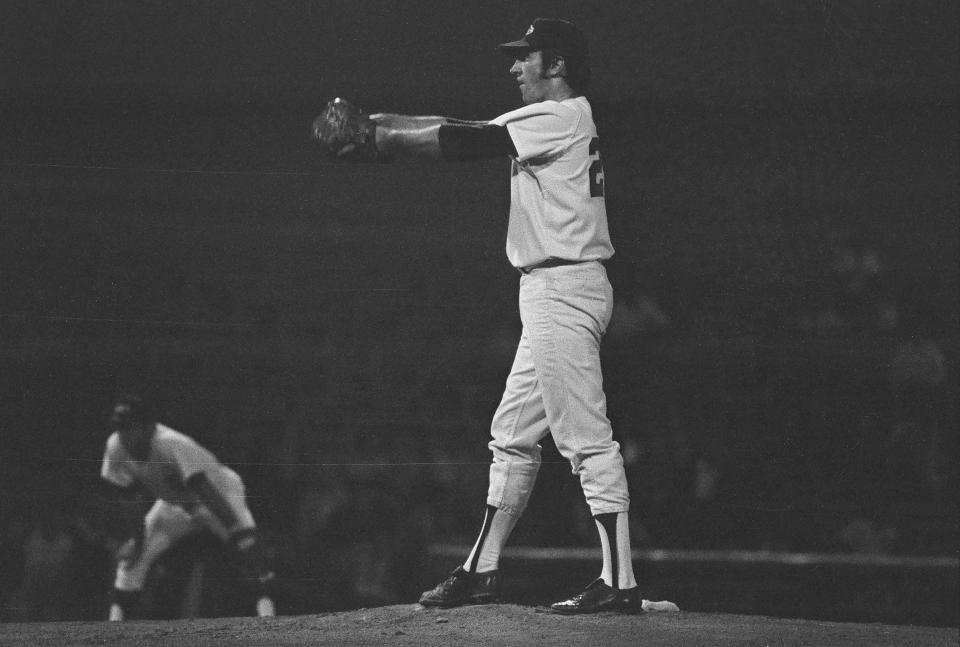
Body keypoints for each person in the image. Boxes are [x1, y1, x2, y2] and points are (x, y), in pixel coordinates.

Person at [345, 18, 647, 613]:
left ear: (555, 63)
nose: (513, 67)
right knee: (511, 436)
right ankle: (479, 570)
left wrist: (379, 141)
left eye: (525, 57)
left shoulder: (564, 115)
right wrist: (378, 123)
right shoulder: (553, 119)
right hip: (550, 289)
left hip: (564, 285)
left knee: (586, 440)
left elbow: (466, 140)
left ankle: (620, 583)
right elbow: (463, 128)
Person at [99, 394, 276, 621]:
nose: (125, 436)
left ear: (149, 426)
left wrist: (238, 532)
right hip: (175, 504)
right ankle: (112, 630)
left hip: (220, 495)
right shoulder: (115, 446)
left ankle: (269, 623)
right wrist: (138, 540)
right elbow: (127, 498)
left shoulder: (171, 443)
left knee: (251, 554)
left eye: (131, 428)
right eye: (120, 428)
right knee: (133, 559)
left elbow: (203, 488)